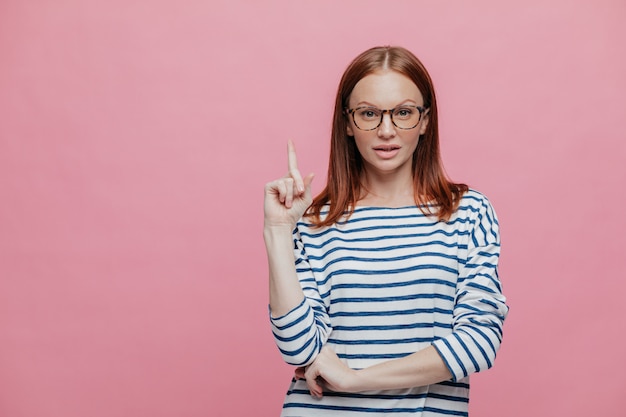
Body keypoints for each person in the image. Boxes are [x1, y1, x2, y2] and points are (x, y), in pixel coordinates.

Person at [263, 46, 508, 417]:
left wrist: (354, 379)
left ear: (425, 120)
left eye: (404, 112)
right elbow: (298, 349)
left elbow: (480, 340)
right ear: (347, 122)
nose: (387, 130)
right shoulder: (316, 221)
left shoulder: (467, 212)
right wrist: (279, 231)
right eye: (368, 114)